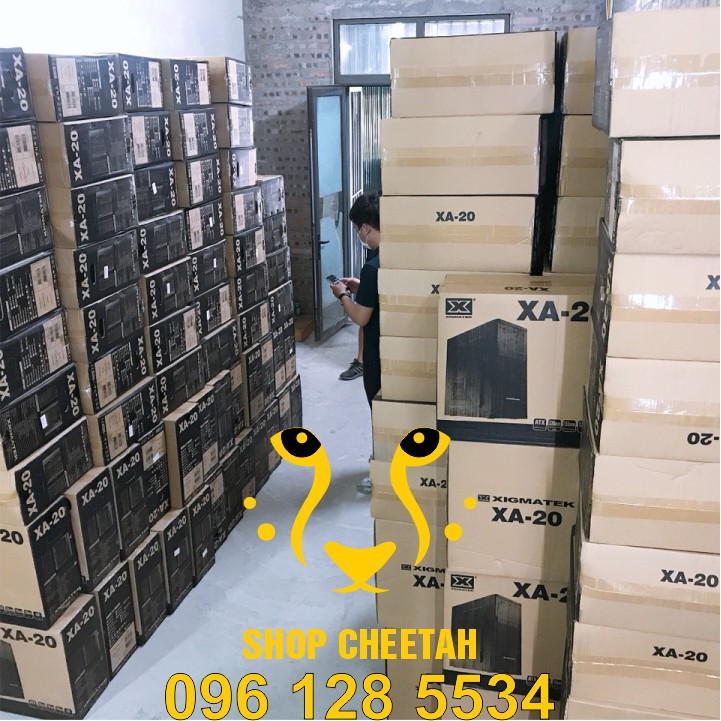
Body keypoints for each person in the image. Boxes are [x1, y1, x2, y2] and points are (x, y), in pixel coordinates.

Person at [330, 193, 381, 406]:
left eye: (356, 229)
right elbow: (382, 291)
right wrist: (359, 286)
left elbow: (361, 317)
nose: (358, 234)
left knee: (378, 406)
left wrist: (342, 295)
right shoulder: (392, 254)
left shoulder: (371, 268)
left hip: (376, 352)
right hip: (391, 347)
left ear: (366, 228)